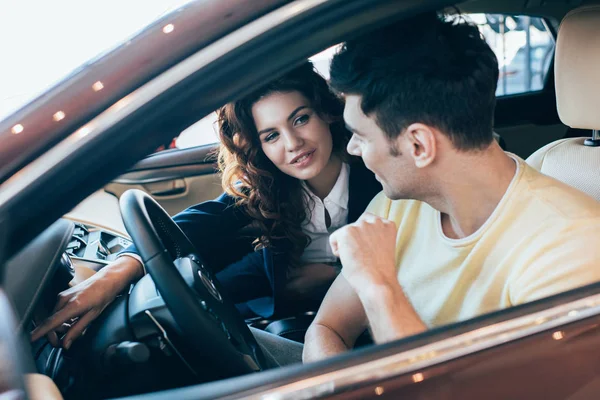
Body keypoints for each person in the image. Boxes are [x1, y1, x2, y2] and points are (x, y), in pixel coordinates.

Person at [303, 12, 600, 362]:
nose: (352, 148)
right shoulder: (397, 203)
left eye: (361, 136)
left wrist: (378, 286)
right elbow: (327, 329)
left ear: (419, 146)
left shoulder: (568, 250)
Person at [30, 62, 381, 351]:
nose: (293, 144)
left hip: (361, 309)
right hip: (280, 283)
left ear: (326, 114)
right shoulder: (270, 188)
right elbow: (195, 224)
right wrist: (114, 274)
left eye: (301, 119)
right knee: (185, 301)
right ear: (259, 146)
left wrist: (336, 278)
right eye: (271, 135)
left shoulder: (379, 173)